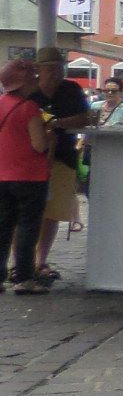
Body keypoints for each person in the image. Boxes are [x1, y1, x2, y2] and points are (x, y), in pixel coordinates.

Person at [29, 47, 90, 285]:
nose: (56, 72)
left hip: (63, 157)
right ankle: (23, 262)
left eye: (59, 67)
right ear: (38, 69)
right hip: (31, 159)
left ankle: (40, 261)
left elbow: (86, 117)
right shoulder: (29, 93)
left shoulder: (71, 89)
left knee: (53, 213)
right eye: (50, 68)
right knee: (27, 213)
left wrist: (58, 123)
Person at [0, 59, 51, 295]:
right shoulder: (28, 107)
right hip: (30, 176)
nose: (36, 82)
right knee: (27, 228)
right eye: (33, 78)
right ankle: (24, 278)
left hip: (3, 175)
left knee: (3, 227)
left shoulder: (1, 103)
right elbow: (39, 145)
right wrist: (49, 135)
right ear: (22, 83)